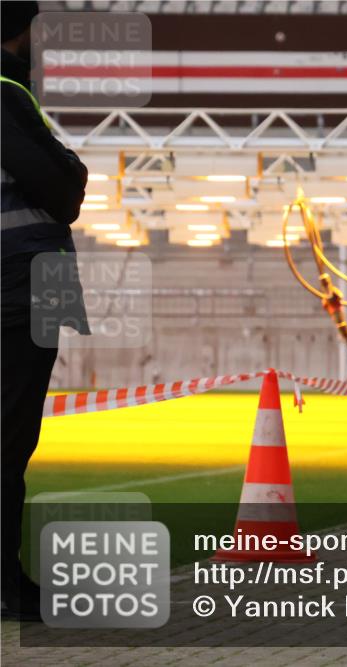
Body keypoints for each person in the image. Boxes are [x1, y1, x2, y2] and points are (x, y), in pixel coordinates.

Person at [1, 1, 90, 621]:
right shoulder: (8, 93)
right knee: (9, 442)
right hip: (20, 285)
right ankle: (8, 586)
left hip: (25, 284)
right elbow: (64, 189)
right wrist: (71, 166)